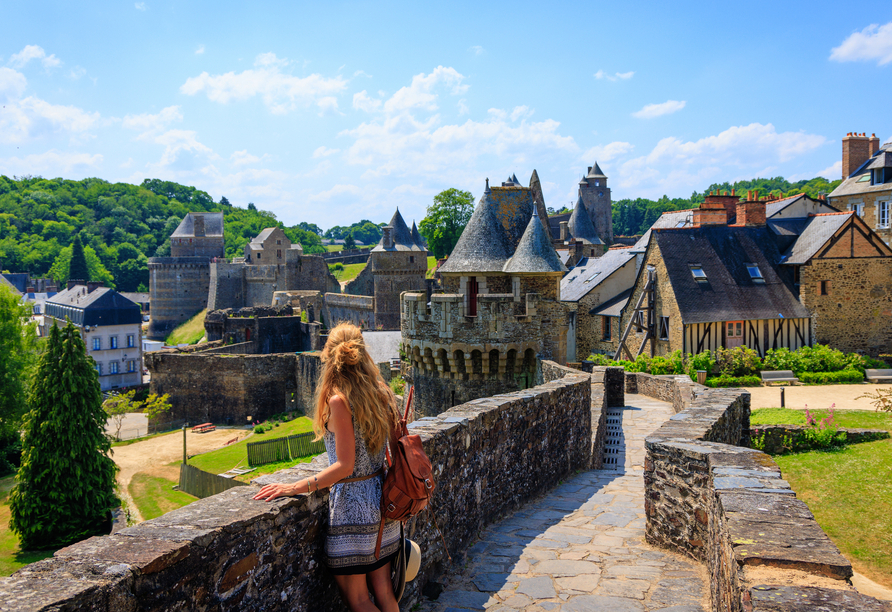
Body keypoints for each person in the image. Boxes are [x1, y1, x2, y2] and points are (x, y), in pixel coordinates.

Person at [254, 323, 402, 612]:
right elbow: (394, 453)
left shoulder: (339, 401)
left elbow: (345, 466)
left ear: (328, 354)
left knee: (358, 600)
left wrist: (296, 486)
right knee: (385, 593)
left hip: (353, 508)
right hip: (385, 501)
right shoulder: (381, 391)